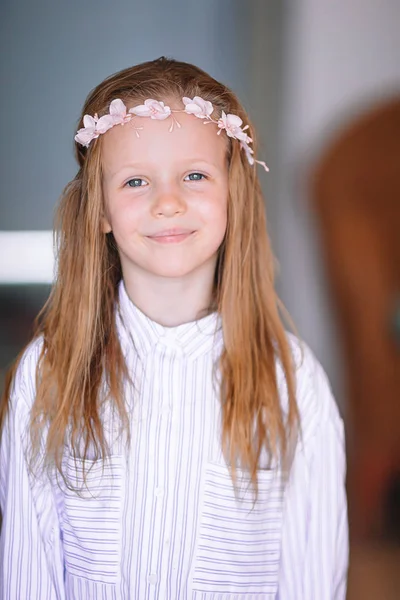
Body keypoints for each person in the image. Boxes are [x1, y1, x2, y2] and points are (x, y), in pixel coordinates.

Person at [0, 57, 348, 599]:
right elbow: (28, 573)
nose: (168, 202)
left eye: (194, 175)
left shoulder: (293, 383)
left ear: (232, 192)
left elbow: (312, 582)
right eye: (136, 180)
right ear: (100, 210)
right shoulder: (49, 374)